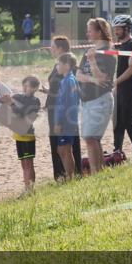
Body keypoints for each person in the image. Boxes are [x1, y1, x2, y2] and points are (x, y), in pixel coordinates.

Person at [76, 18, 116, 173]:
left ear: (99, 32)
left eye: (90, 30)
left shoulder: (107, 53)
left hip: (100, 100)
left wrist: (92, 62)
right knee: (92, 139)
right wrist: (92, 79)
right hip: (86, 101)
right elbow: (78, 75)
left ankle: (95, 172)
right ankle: (98, 172)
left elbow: (102, 79)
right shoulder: (89, 51)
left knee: (91, 138)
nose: (87, 33)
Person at [42, 36, 83, 180]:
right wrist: (48, 91)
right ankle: (63, 174)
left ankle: (69, 174)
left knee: (66, 145)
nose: (51, 49)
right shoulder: (60, 66)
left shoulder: (68, 67)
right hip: (56, 108)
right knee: (59, 145)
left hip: (62, 112)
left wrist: (61, 119)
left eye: (53, 47)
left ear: (60, 48)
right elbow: (59, 88)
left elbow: (69, 95)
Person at [3, 76, 41, 192]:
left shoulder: (35, 101)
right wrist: (7, 99)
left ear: (35, 88)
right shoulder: (20, 97)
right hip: (19, 134)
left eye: (27, 86)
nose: (24, 88)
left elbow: (22, 113)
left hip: (28, 136)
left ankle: (29, 189)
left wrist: (11, 103)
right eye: (23, 85)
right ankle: (27, 188)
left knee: (28, 163)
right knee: (24, 163)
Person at [110, 14, 132, 156]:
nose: (116, 32)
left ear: (127, 29)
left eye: (118, 29)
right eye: (115, 29)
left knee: (128, 122)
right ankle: (117, 151)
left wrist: (116, 81)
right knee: (118, 122)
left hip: (130, 88)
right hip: (121, 88)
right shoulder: (122, 45)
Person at [53, 53, 81, 179]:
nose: (57, 66)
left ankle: (70, 176)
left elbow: (64, 104)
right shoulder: (70, 79)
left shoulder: (68, 81)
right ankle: (69, 175)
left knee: (65, 149)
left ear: (67, 65)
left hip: (66, 121)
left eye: (59, 64)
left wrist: (59, 122)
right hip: (70, 120)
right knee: (61, 149)